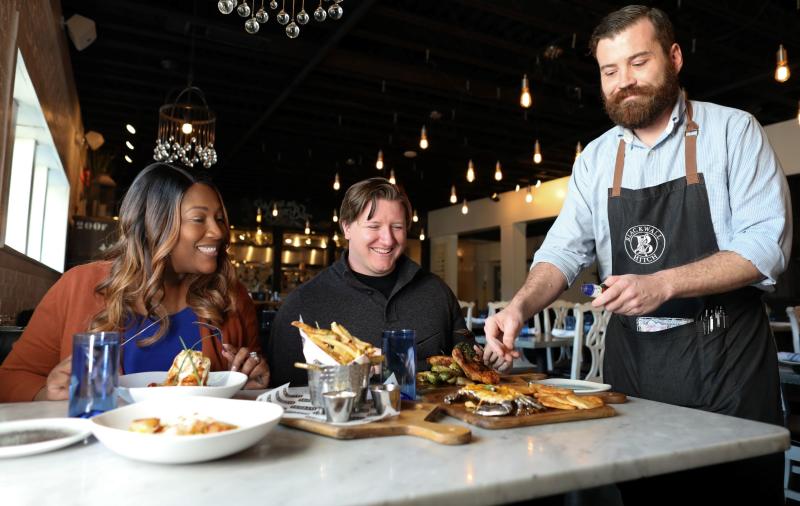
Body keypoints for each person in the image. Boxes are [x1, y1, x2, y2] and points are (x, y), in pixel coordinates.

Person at [482, 5, 789, 504]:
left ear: (674, 57)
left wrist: (662, 283)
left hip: (727, 371)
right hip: (636, 374)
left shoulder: (733, 132)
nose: (624, 81)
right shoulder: (598, 158)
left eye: (638, 62)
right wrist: (519, 307)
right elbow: (562, 250)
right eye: (610, 70)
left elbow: (765, 246)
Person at [0, 163, 269, 402]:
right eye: (199, 219)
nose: (218, 231)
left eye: (220, 218)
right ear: (155, 224)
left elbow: (249, 383)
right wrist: (47, 393)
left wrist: (253, 384)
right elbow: (11, 378)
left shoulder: (232, 297)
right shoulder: (77, 286)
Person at [267, 177, 466, 387]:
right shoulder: (301, 304)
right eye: (374, 226)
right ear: (347, 228)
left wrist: (396, 365)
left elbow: (471, 368)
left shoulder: (437, 292)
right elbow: (283, 395)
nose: (388, 239)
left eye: (397, 227)